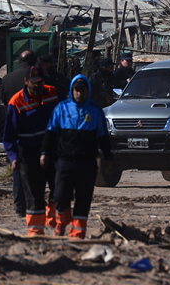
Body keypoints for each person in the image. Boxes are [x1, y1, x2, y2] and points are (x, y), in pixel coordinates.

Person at [42, 74, 113, 239]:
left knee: (83, 199)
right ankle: (62, 220)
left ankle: (77, 233)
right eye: (76, 90)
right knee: (60, 195)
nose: (79, 93)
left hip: (87, 163)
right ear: (71, 91)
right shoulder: (61, 108)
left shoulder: (95, 110)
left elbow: (103, 136)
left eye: (83, 90)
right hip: (64, 162)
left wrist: (108, 157)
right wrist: (44, 153)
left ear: (88, 91)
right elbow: (50, 133)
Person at [3, 65, 61, 236]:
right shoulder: (17, 102)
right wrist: (13, 158)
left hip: (52, 150)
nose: (38, 86)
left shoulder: (52, 93)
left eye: (41, 82)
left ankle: (55, 220)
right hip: (29, 153)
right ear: (26, 81)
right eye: (34, 83)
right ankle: (36, 230)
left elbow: (67, 109)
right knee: (34, 193)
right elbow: (9, 136)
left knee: (59, 187)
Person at [2, 50, 37, 219]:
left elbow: (3, 102)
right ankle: (34, 204)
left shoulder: (7, 79)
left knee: (17, 168)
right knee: (36, 171)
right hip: (34, 128)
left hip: (14, 127)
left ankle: (19, 206)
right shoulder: (37, 78)